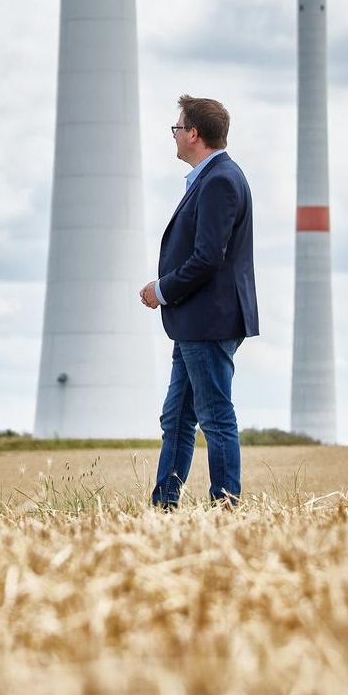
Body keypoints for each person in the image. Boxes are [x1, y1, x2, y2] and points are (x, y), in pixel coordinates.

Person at [139, 95, 258, 507]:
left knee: (214, 417)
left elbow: (209, 257)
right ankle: (165, 503)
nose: (173, 136)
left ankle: (226, 505)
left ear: (194, 134)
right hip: (196, 322)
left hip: (208, 320)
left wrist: (163, 289)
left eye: (176, 128)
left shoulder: (220, 180)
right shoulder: (215, 177)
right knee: (177, 418)